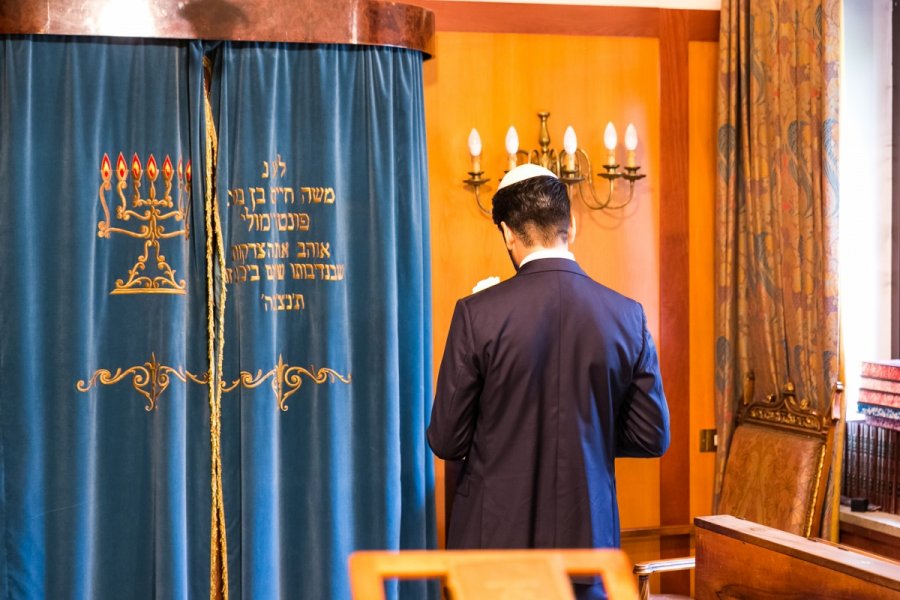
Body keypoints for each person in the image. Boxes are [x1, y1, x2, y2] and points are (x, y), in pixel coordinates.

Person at [427, 163, 670, 599]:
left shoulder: (476, 313)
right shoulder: (627, 315)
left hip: (492, 550)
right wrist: (584, 432)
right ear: (571, 226)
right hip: (587, 546)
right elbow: (652, 436)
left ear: (507, 234)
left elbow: (446, 439)